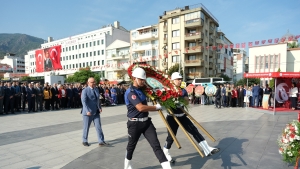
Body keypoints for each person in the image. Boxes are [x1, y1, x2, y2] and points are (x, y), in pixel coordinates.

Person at [163, 72, 220, 163]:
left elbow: (186, 101)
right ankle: (165, 152)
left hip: (182, 116)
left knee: (194, 130)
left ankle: (207, 149)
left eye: (180, 79)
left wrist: (181, 102)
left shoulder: (183, 90)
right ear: (173, 80)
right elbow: (165, 103)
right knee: (171, 137)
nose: (180, 80)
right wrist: (173, 103)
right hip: (172, 117)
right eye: (178, 79)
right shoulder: (168, 90)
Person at [124, 67, 172, 169]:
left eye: (143, 79)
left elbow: (153, 93)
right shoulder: (130, 92)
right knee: (131, 147)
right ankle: (127, 165)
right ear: (134, 78)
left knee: (156, 145)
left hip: (146, 123)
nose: (143, 81)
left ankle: (167, 167)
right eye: (141, 79)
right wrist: (156, 107)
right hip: (134, 124)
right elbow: (140, 108)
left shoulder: (143, 90)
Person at [81, 77, 109, 147]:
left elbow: (97, 100)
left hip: (96, 111)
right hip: (88, 112)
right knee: (86, 127)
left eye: (94, 82)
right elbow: (84, 102)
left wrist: (99, 107)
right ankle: (84, 140)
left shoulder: (96, 89)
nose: (94, 83)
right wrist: (87, 111)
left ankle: (101, 141)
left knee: (98, 126)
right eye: (92, 82)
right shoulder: (85, 90)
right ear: (88, 83)